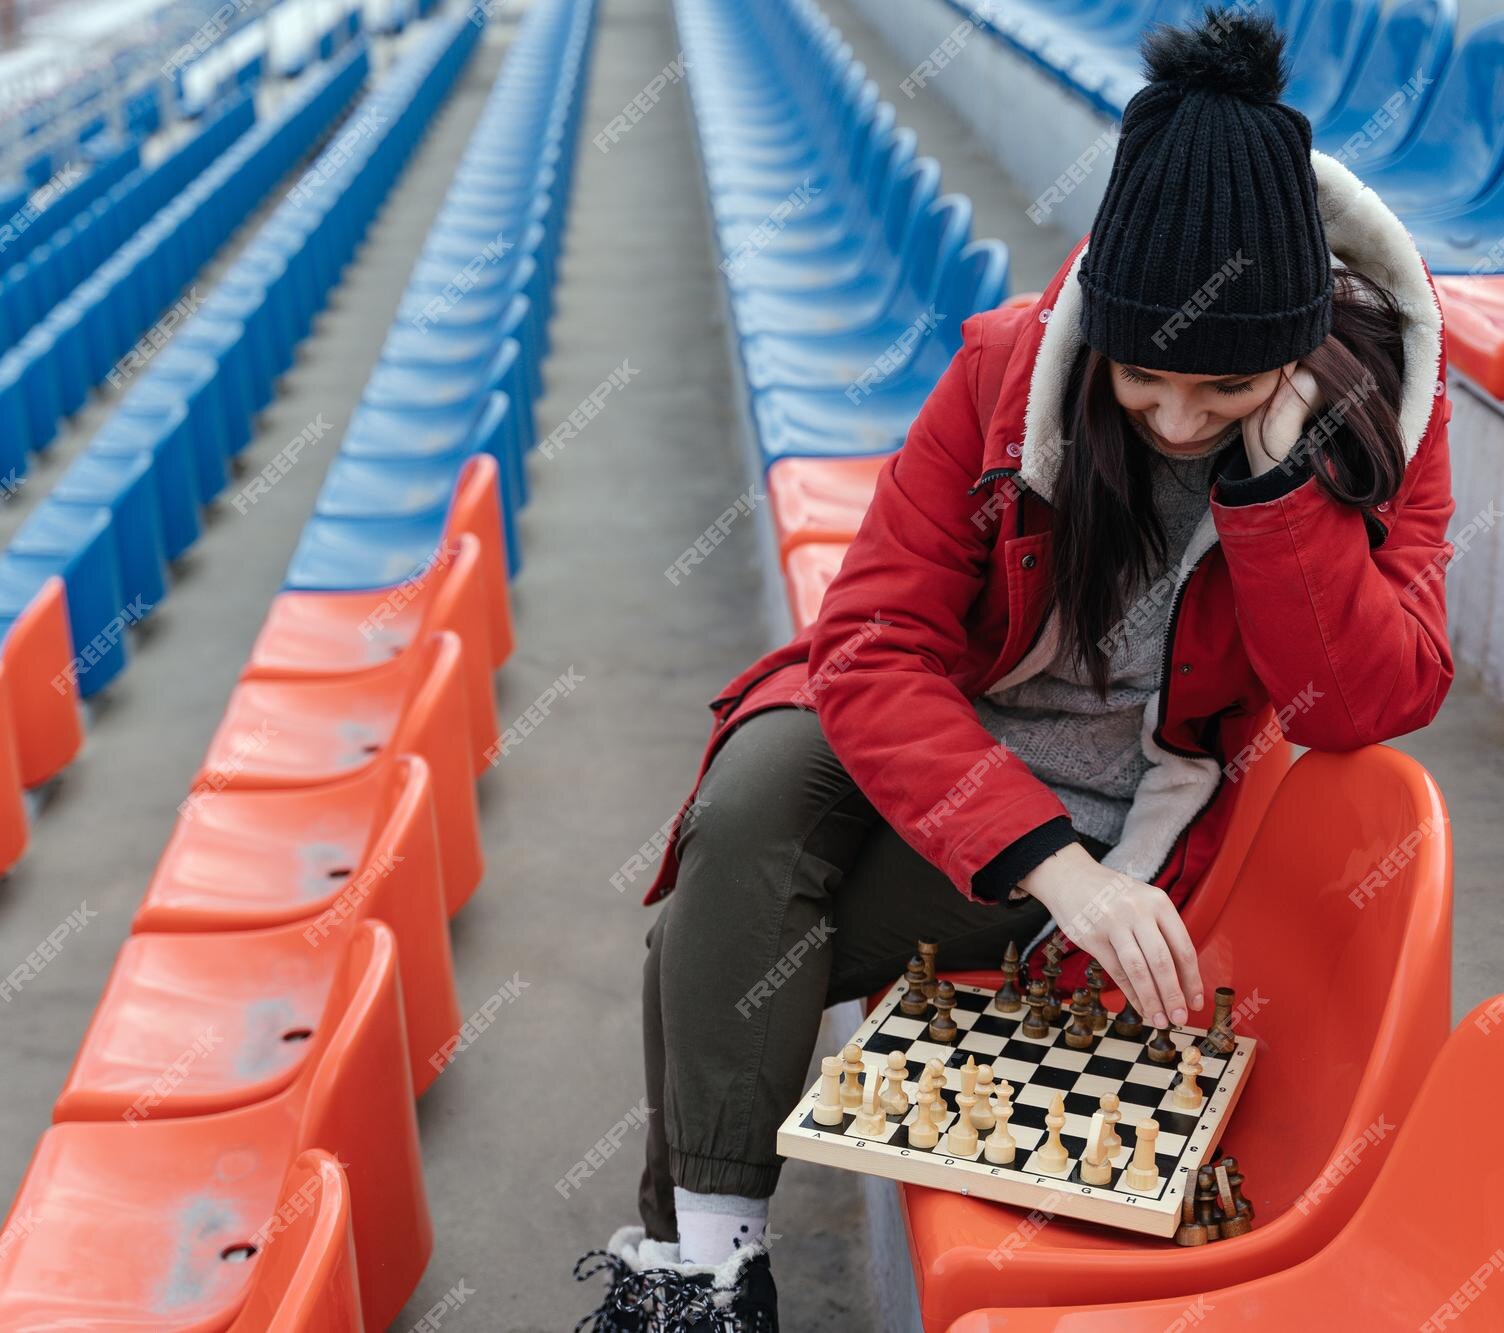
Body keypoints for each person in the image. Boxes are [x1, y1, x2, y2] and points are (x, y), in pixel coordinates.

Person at [577, 9, 1455, 1328]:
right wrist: (1054, 869)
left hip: (1109, 805)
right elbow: (870, 643)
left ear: (1296, 341)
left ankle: (703, 1273)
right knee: (752, 797)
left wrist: (1275, 485)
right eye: (1144, 378)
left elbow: (1367, 700)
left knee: (714, 931)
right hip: (934, 749)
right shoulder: (1006, 370)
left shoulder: (1377, 428)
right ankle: (713, 1279)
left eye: (1222, 391)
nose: (1171, 420)